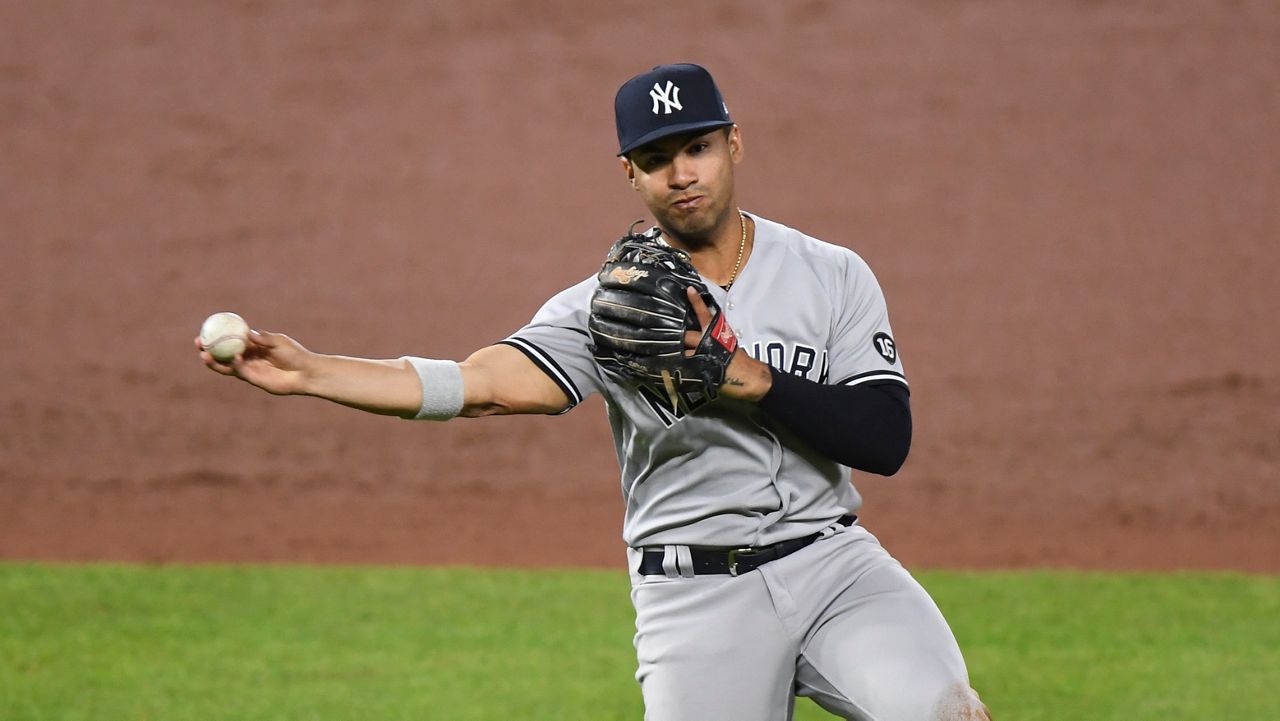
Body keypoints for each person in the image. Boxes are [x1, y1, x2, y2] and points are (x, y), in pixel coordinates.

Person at [196, 63, 991, 721]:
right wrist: (312, 372)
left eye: (699, 148)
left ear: (734, 144)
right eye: (657, 159)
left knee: (944, 712)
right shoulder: (610, 307)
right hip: (696, 598)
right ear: (629, 174)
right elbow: (484, 384)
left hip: (834, 567)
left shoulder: (831, 272)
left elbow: (885, 439)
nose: (682, 174)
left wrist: (744, 376)